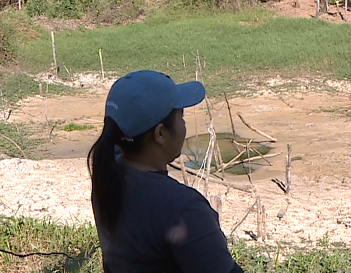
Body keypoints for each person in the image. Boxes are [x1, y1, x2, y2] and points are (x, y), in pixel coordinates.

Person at [87, 70, 244, 273]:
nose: (184, 125)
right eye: (181, 118)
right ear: (160, 133)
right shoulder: (183, 209)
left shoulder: (107, 173)